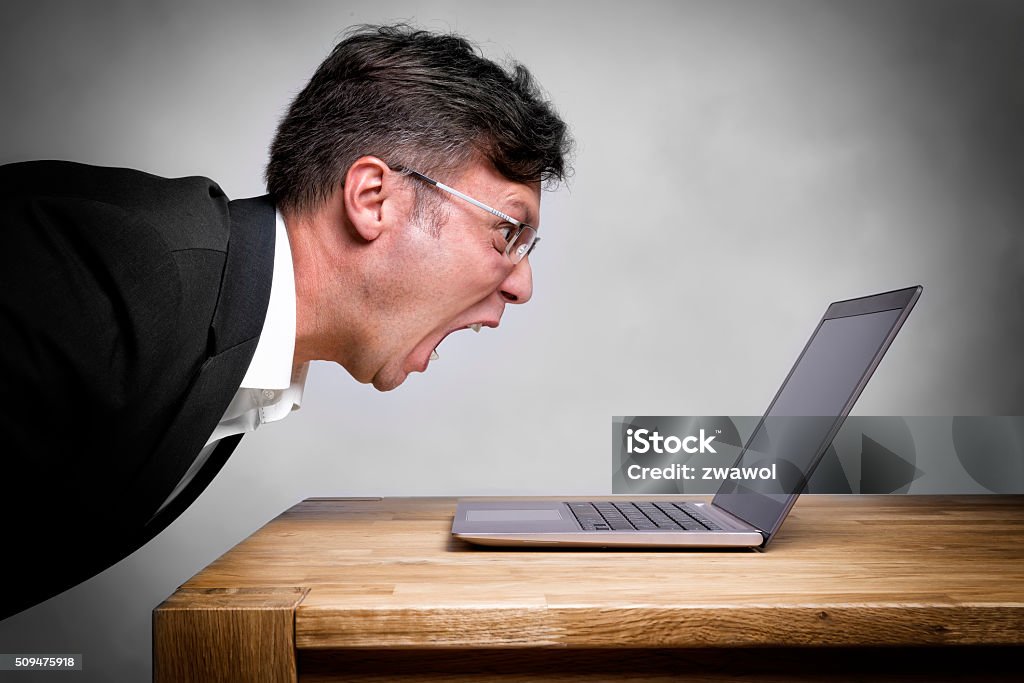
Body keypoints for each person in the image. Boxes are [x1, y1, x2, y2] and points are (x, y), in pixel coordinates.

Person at [0, 24, 572, 619]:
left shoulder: (230, 329)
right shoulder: (107, 269)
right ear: (374, 198)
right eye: (509, 232)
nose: (522, 285)